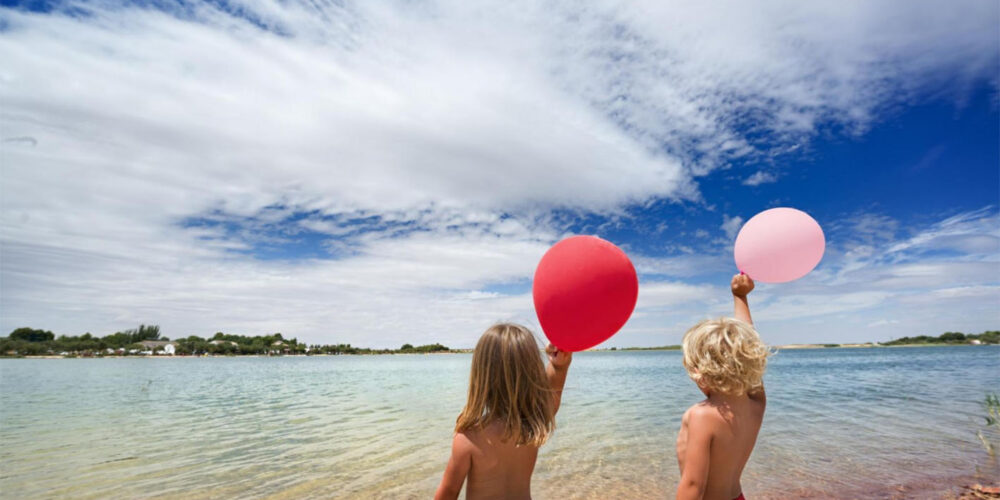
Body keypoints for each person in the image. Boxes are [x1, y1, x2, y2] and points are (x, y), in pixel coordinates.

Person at [434, 323, 572, 500]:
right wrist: (560, 365)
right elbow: (552, 391)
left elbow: (448, 494)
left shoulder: (469, 438)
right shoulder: (532, 425)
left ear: (481, 377)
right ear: (533, 373)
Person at [676, 273, 770, 500]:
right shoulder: (756, 404)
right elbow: (750, 346)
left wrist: (740, 295)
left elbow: (692, 485)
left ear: (701, 372)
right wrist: (740, 297)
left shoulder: (702, 416)